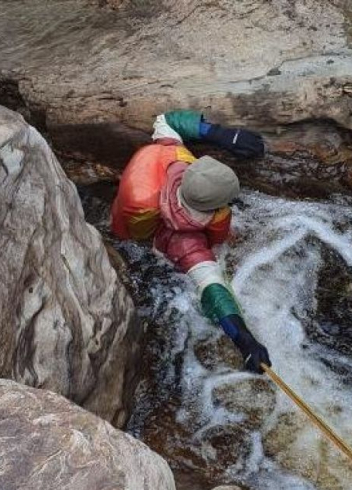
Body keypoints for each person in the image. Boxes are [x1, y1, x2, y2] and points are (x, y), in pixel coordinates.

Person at [111, 110, 271, 373]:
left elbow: (165, 121)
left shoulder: (172, 159)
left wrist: (223, 135)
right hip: (151, 239)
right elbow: (211, 285)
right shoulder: (184, 238)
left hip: (131, 201)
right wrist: (242, 338)